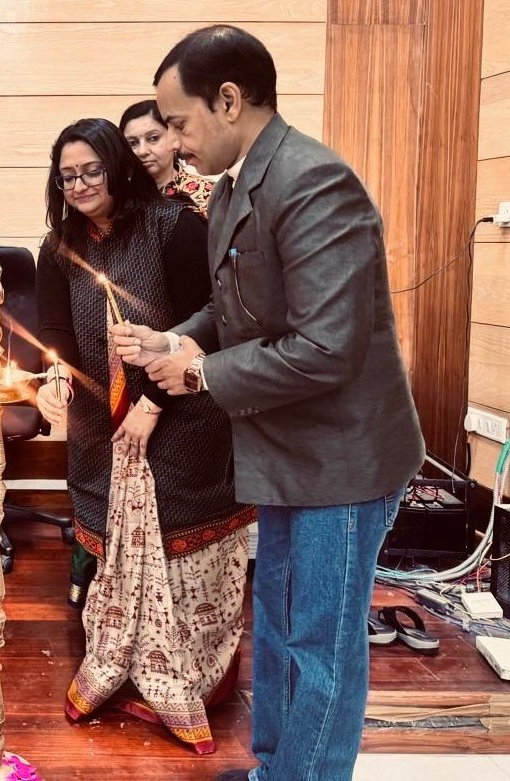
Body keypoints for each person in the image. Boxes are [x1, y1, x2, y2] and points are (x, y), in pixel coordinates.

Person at [114, 26, 425, 781]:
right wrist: (170, 339)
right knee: (279, 626)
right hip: (283, 449)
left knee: (320, 641)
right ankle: (274, 768)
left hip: (340, 460)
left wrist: (201, 375)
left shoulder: (314, 182)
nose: (174, 143)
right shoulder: (232, 188)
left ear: (228, 100)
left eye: (179, 122)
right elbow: (232, 310)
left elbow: (327, 347)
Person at [35, 118, 253, 754]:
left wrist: (153, 403)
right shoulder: (59, 246)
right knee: (114, 549)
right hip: (99, 425)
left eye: (91, 171)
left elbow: (213, 321)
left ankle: (186, 684)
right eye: (67, 175)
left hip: (183, 416)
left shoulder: (172, 225)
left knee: (182, 555)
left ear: (116, 168)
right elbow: (55, 330)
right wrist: (53, 375)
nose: (78, 185)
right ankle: (119, 670)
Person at [119, 99, 216, 213]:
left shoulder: (209, 193)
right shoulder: (118, 199)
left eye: (153, 138)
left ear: (173, 137)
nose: (142, 151)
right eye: (133, 143)